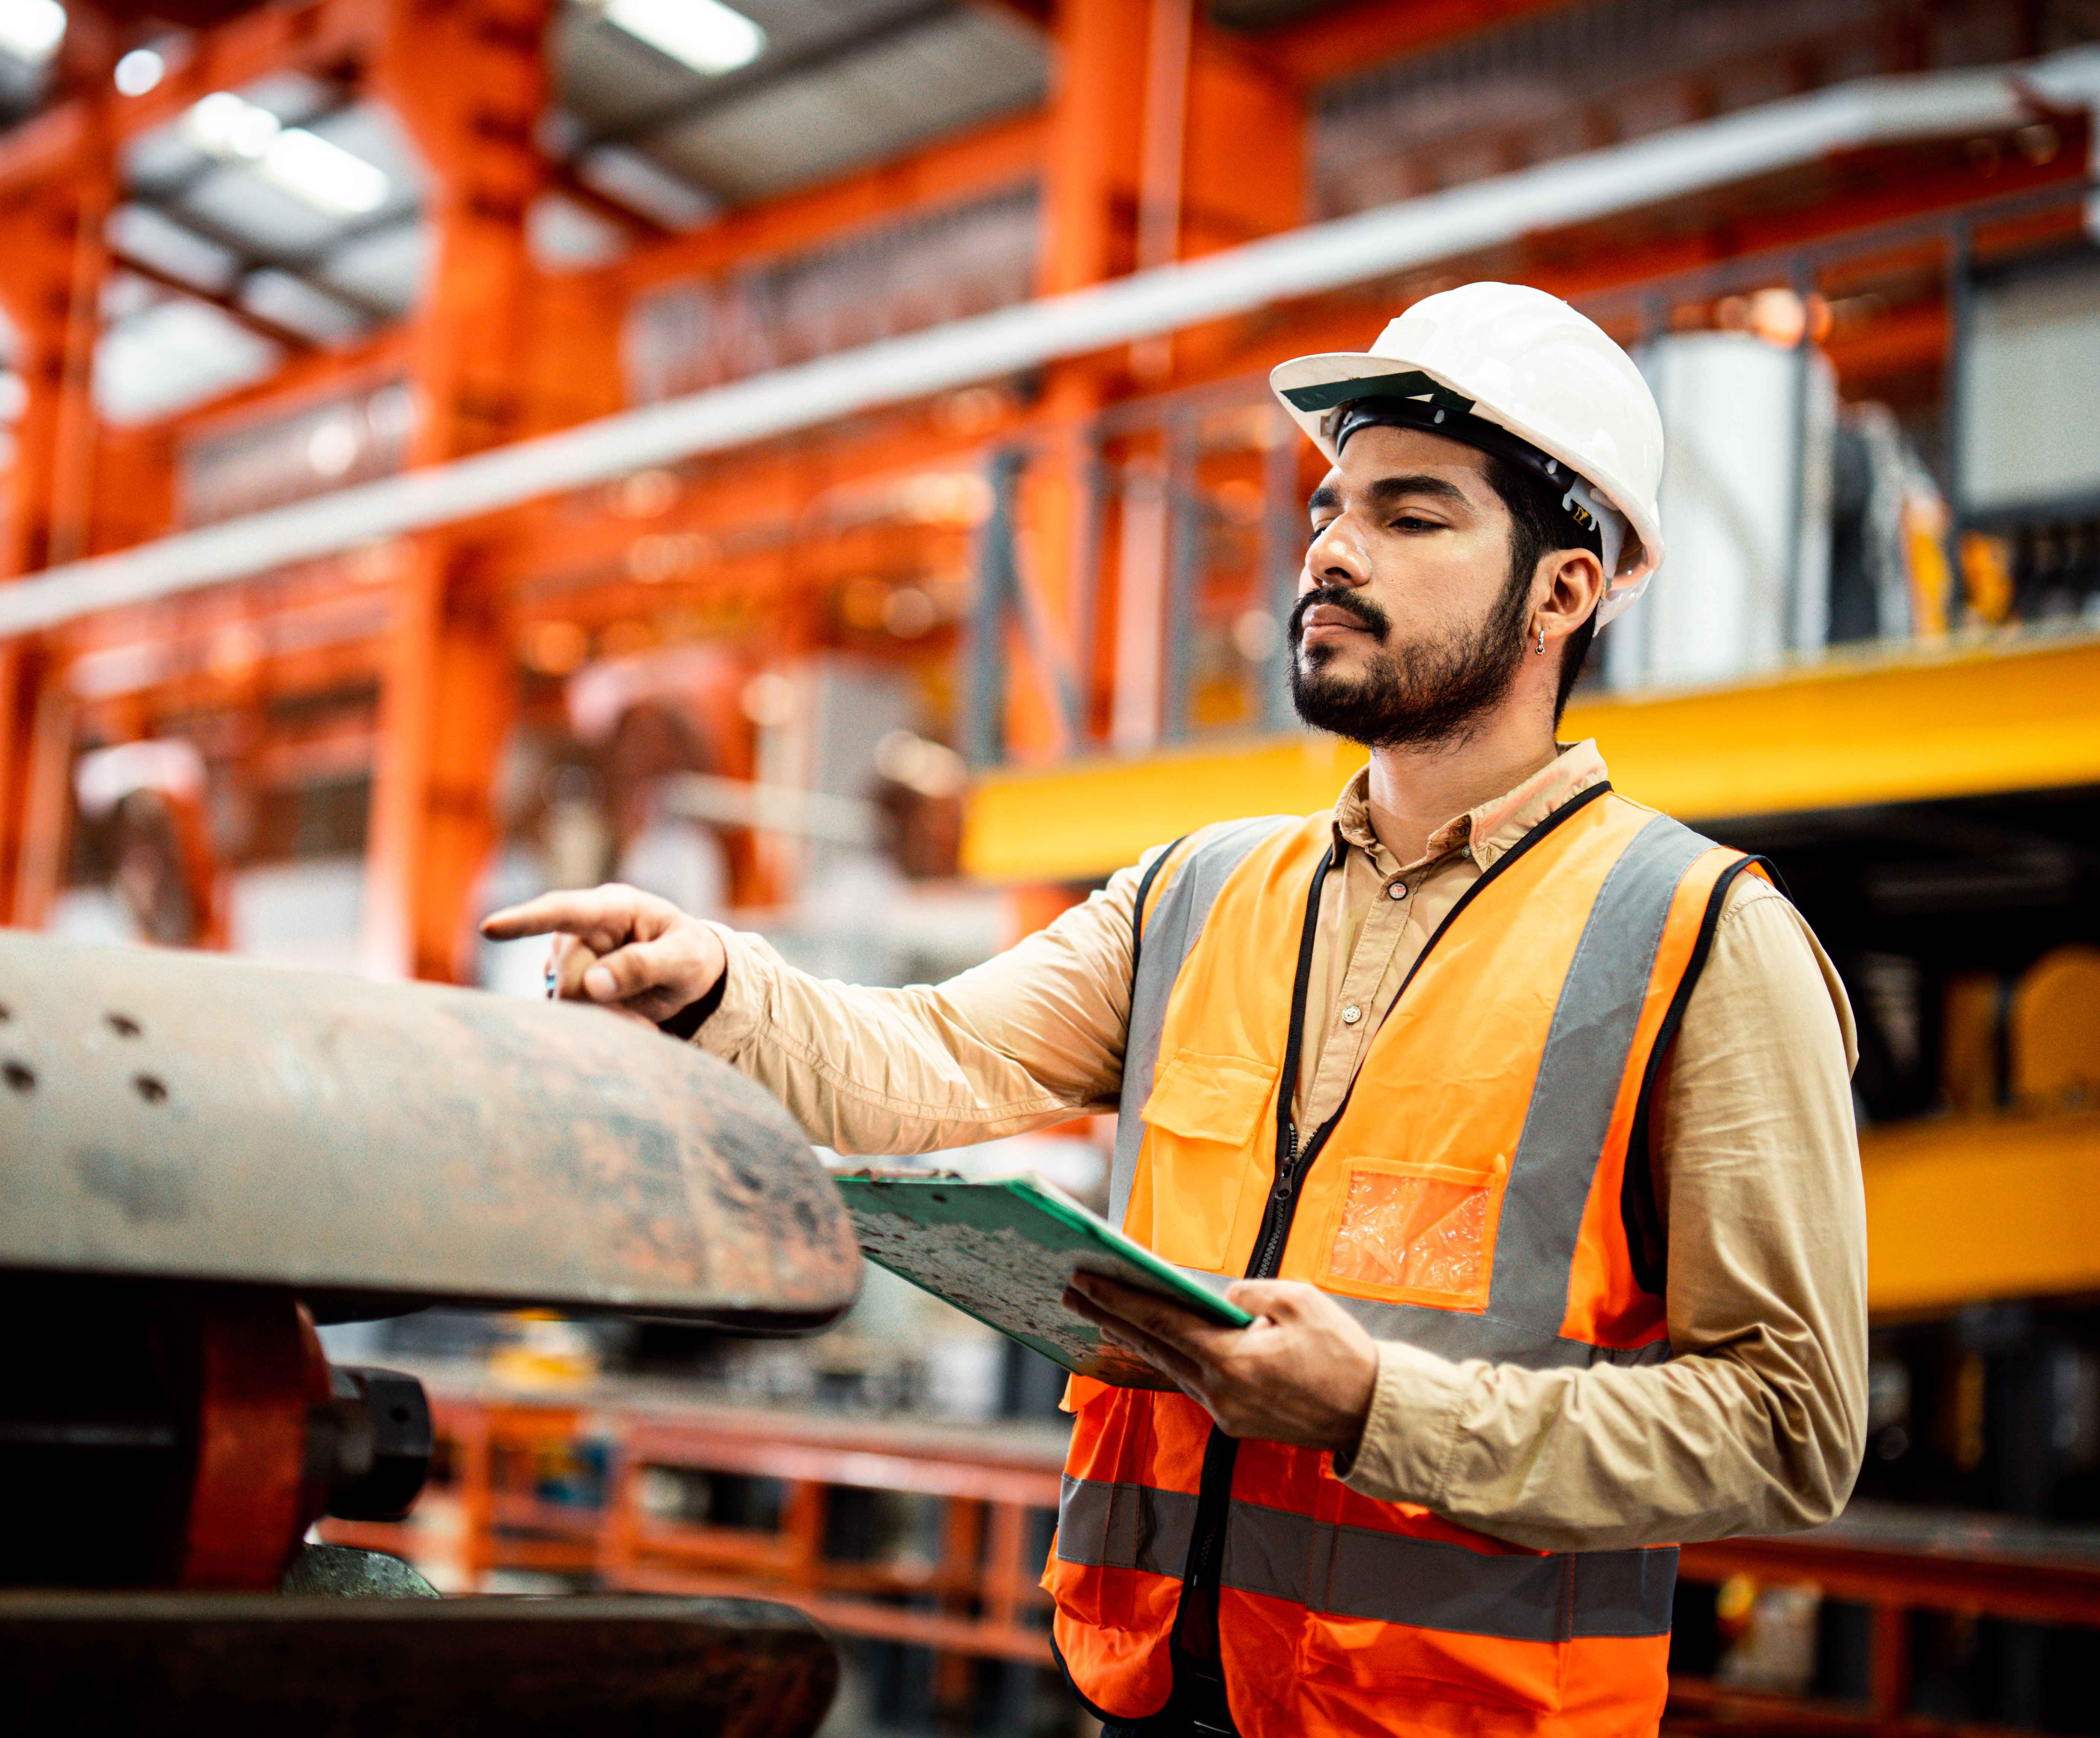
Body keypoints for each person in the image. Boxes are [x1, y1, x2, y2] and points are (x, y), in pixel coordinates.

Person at [482, 282, 1867, 1738]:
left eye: (1413, 516)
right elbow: (933, 1060)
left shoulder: (1703, 941)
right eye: (1333, 507)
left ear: (1562, 588)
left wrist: (1373, 1406)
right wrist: (720, 985)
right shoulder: (1199, 893)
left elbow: (1789, 1425)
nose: (1333, 549)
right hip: (1150, 1707)